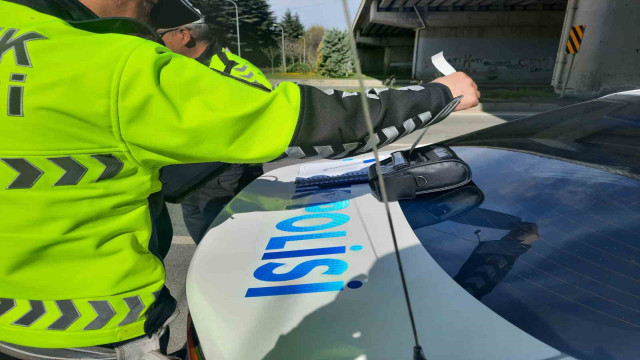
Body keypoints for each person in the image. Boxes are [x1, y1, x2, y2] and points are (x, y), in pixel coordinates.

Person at [0, 0, 480, 358]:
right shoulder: (105, 62)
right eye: (148, 9)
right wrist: (438, 95)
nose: (149, 24)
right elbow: (307, 121)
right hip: (84, 335)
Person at [158, 20, 269, 243]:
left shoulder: (232, 70)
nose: (156, 41)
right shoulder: (177, 69)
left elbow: (265, 120)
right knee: (205, 246)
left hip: (225, 179)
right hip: (189, 179)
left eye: (161, 35)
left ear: (183, 35)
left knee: (234, 247)